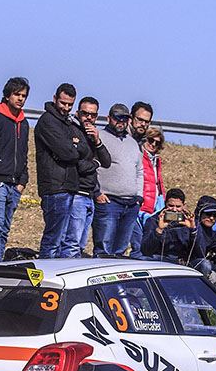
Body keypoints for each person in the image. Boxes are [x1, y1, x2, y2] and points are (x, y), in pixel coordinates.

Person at [35, 83, 90, 258]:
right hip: (55, 187)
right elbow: (67, 152)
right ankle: (44, 276)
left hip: (69, 186)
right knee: (53, 239)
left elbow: (84, 148)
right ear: (55, 99)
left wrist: (72, 148)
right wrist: (71, 149)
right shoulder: (47, 121)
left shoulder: (68, 123)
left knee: (64, 240)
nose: (66, 108)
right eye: (63, 103)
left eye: (69, 105)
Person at [0, 76, 30, 263]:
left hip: (15, 184)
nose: (20, 99)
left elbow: (24, 153)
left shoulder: (24, 122)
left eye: (24, 95)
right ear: (7, 95)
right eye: (17, 94)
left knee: (5, 227)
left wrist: (22, 181)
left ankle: (0, 261)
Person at [93, 102, 143, 256]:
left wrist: (139, 197)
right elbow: (91, 166)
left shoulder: (133, 143)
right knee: (104, 249)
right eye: (117, 117)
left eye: (125, 118)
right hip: (109, 202)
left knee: (120, 251)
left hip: (130, 204)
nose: (121, 121)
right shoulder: (99, 137)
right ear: (109, 118)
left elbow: (139, 171)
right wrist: (97, 193)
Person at [65, 96, 111, 256]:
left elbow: (106, 161)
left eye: (92, 115)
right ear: (78, 113)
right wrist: (95, 162)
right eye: (85, 113)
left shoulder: (92, 135)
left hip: (89, 196)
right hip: (76, 194)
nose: (89, 118)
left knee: (80, 245)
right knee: (72, 243)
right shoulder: (71, 130)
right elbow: (81, 165)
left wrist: (98, 141)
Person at [140, 188, 206, 270]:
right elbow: (145, 251)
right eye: (171, 206)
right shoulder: (153, 220)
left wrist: (193, 230)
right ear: (165, 204)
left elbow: (201, 253)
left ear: (183, 205)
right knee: (143, 260)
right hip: (160, 261)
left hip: (184, 262)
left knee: (205, 264)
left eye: (178, 206)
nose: (174, 210)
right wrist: (159, 230)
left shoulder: (191, 221)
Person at [131, 126, 167, 255]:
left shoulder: (156, 160)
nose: (153, 144)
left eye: (157, 143)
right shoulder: (138, 155)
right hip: (140, 206)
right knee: (138, 246)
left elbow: (158, 184)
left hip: (154, 207)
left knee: (150, 246)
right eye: (151, 140)